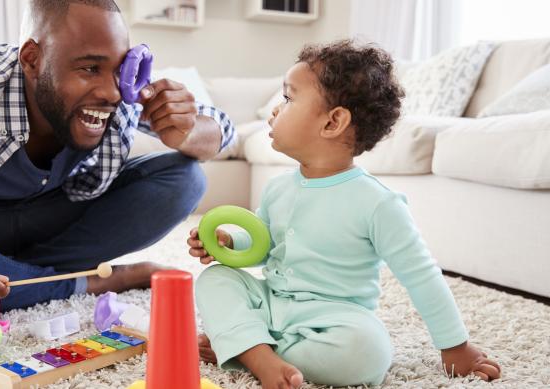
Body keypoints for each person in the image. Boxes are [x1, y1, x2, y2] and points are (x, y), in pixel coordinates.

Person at [0, 0, 235, 319]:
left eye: (118, 69)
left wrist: (185, 129)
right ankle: (95, 280)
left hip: (51, 218)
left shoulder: (123, 94)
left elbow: (221, 129)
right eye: (88, 68)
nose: (112, 92)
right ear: (32, 58)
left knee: (184, 178)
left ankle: (1, 285)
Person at [187, 40, 501, 388]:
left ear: (333, 122)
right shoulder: (279, 188)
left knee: (368, 354)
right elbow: (265, 245)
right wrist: (230, 241)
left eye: (289, 99)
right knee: (216, 280)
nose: (274, 111)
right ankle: (255, 350)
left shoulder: (377, 203)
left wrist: (455, 347)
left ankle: (246, 347)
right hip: (271, 300)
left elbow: (422, 277)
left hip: (334, 317)